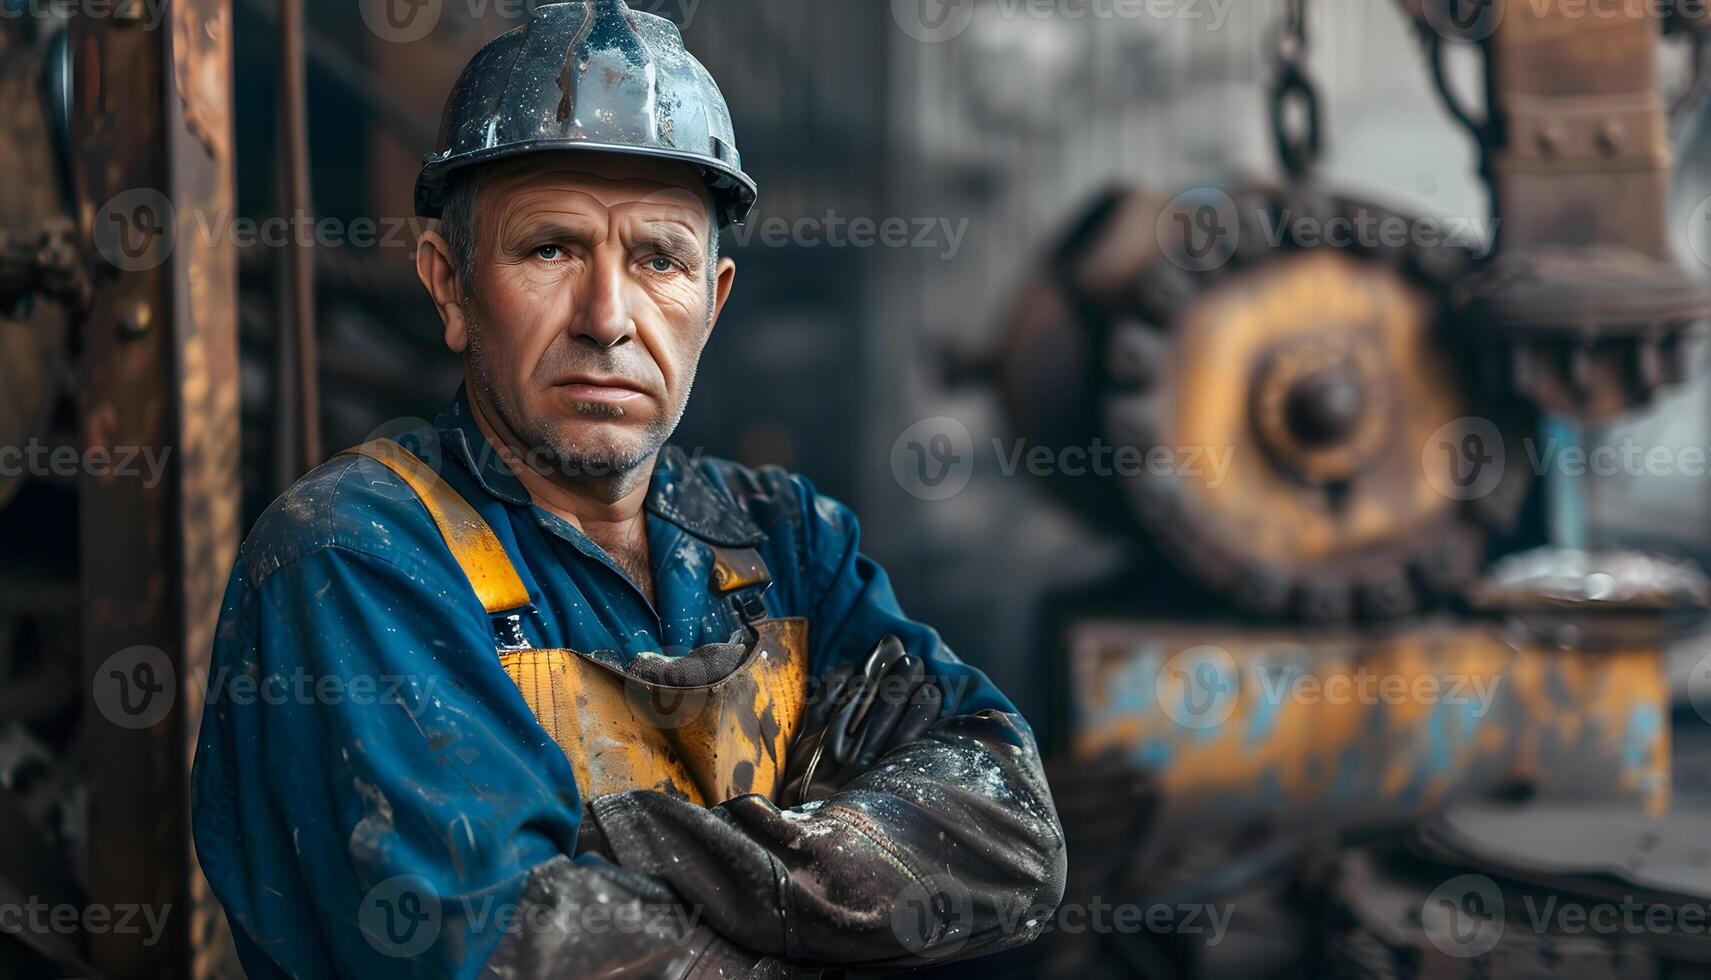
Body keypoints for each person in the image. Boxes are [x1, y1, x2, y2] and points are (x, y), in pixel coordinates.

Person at [192, 2, 1065, 976]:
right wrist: (830, 902)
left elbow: (1007, 825)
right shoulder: (352, 556)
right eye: (551, 249)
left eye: (658, 259)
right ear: (448, 284)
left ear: (713, 300)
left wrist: (608, 843)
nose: (608, 318)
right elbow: (510, 947)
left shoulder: (787, 542)